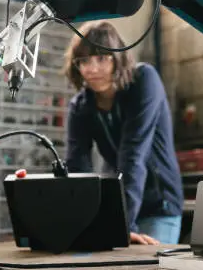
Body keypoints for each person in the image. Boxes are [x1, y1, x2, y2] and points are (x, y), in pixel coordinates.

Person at [63, 21, 184, 245]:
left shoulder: (143, 81)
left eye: (102, 58)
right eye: (84, 61)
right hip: (119, 205)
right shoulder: (80, 106)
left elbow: (133, 155)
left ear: (118, 58)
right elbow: (76, 167)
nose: (93, 69)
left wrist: (122, 227)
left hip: (159, 204)